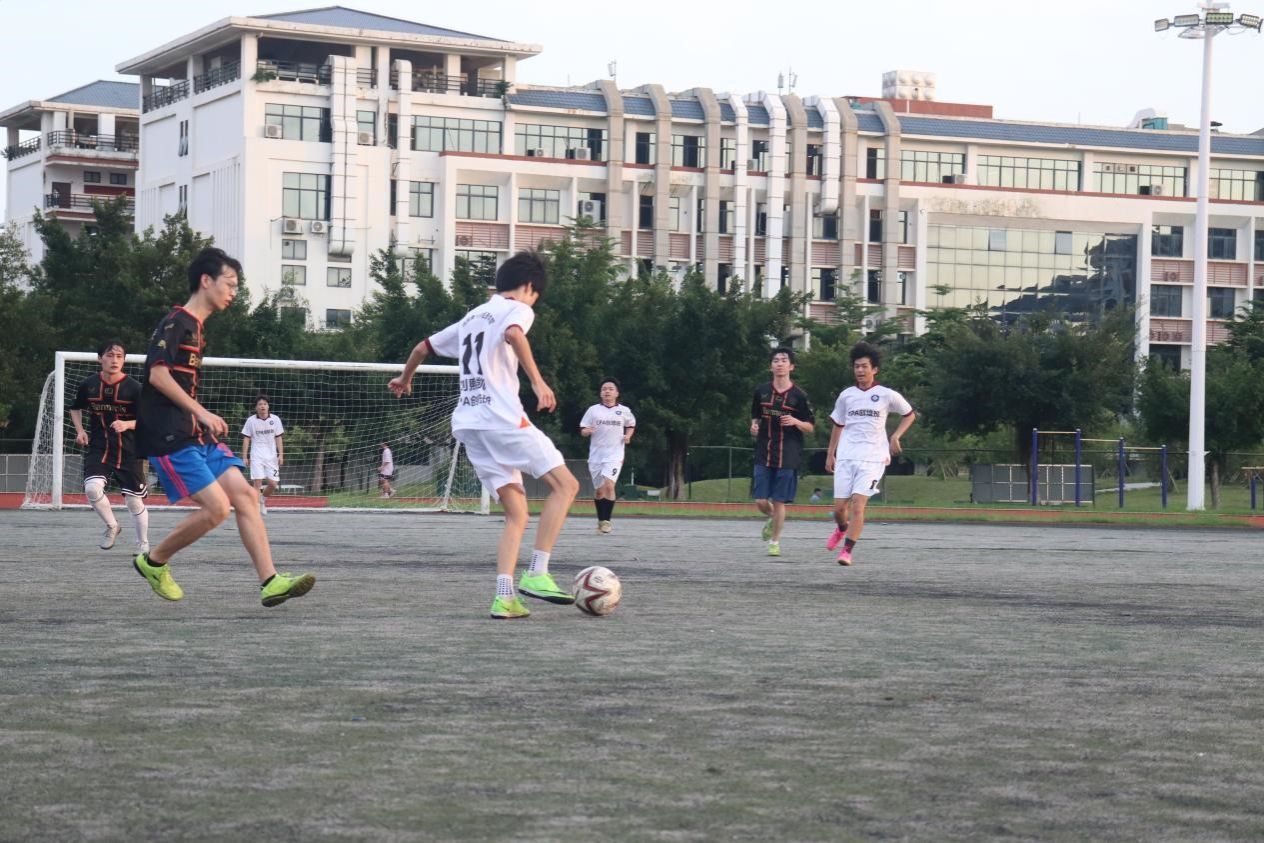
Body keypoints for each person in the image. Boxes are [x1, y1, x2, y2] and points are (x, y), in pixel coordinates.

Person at [390, 249, 580, 619]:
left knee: (517, 513)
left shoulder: (473, 316)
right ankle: (538, 573)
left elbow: (421, 347)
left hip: (469, 425)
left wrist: (404, 378)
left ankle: (504, 597)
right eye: (536, 296)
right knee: (566, 485)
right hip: (501, 418)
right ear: (529, 287)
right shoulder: (517, 309)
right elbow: (513, 334)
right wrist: (538, 382)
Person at [132, 247, 316, 607]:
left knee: (246, 495)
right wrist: (202, 412)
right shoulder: (177, 322)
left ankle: (270, 582)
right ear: (206, 280)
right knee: (217, 509)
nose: (234, 292)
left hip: (194, 433)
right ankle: (153, 562)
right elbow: (157, 375)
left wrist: (200, 418)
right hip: (169, 435)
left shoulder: (198, 329)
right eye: (229, 283)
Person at [825, 341, 916, 566]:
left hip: (873, 458)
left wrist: (895, 436)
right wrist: (830, 453)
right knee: (839, 510)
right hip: (846, 456)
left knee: (858, 504)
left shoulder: (886, 394)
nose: (860, 370)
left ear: (874, 369)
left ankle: (847, 551)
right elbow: (838, 425)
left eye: (864, 366)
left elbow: (909, 414)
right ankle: (841, 528)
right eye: (857, 366)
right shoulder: (846, 396)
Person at [68, 339, 150, 554]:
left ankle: (142, 543)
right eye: (110, 355)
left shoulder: (135, 388)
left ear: (124, 360)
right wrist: (80, 430)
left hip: (130, 450)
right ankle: (113, 526)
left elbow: (150, 420)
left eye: (119, 356)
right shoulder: (88, 385)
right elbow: (75, 408)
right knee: (91, 488)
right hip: (99, 446)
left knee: (133, 501)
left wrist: (127, 424)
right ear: (100, 359)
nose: (115, 360)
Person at [749, 346, 814, 557]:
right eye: (776, 360)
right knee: (760, 501)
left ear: (791, 366)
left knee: (779, 501)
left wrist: (795, 421)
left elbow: (810, 427)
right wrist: (754, 426)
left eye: (784, 360)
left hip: (788, 453)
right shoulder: (761, 391)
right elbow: (755, 417)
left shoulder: (799, 396)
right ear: (771, 366)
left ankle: (775, 542)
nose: (779, 364)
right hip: (764, 450)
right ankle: (772, 518)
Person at [580, 377, 636, 534]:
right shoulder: (593, 410)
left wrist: (628, 436)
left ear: (617, 393)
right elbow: (583, 430)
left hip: (615, 454)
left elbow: (631, 425)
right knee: (599, 491)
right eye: (604, 389)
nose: (607, 391)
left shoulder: (624, 411)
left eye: (611, 389)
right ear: (600, 393)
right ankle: (601, 520)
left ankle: (607, 521)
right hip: (596, 456)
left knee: (609, 485)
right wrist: (587, 431)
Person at [241, 396, 284, 515]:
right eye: (260, 404)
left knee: (273, 484)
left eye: (265, 404)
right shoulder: (251, 421)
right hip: (256, 455)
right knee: (258, 482)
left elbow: (278, 438)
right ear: (256, 407)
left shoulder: (275, 419)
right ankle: (256, 508)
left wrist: (281, 455)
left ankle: (262, 500)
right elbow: (246, 439)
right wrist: (245, 456)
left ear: (268, 406)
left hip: (272, 456)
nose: (262, 406)